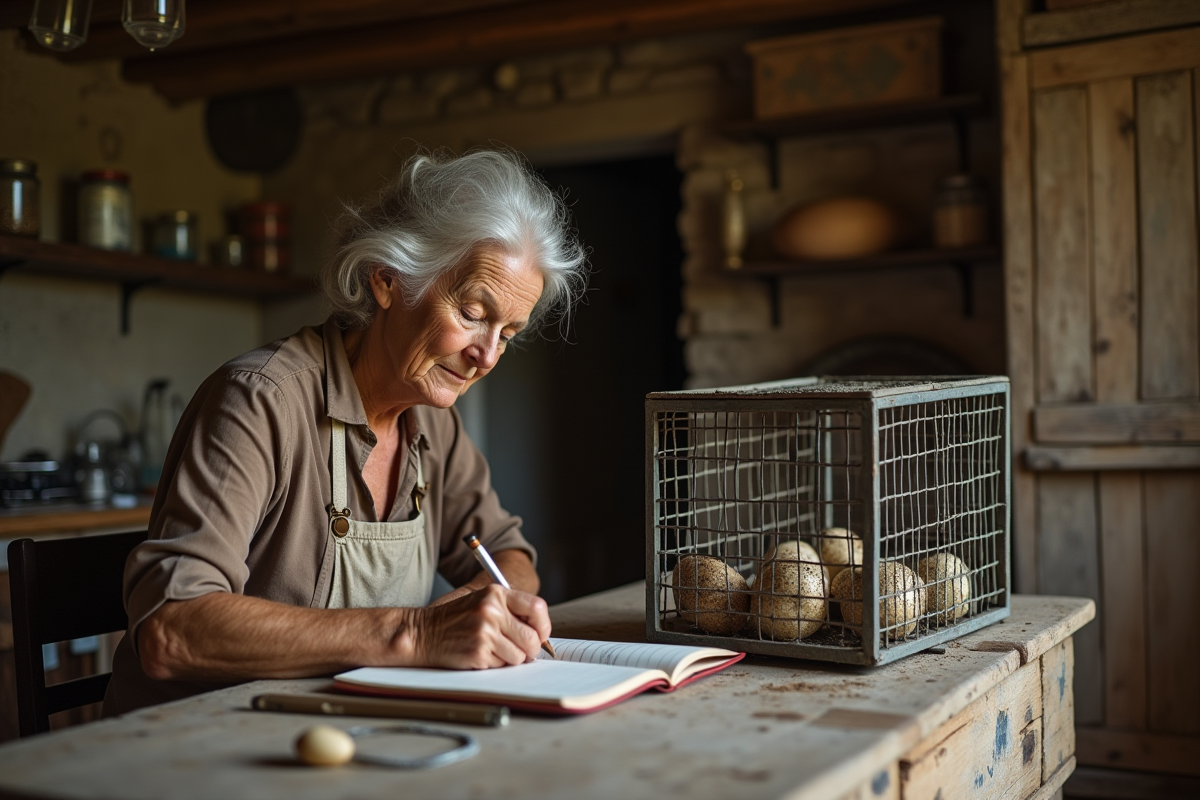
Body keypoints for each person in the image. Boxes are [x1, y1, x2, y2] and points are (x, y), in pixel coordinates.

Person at [103, 149, 588, 715]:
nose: (485, 356)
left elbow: (504, 551)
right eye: (473, 312)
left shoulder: (432, 420)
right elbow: (172, 629)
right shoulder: (261, 400)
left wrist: (497, 604)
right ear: (387, 279)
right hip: (191, 745)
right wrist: (418, 634)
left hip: (336, 731)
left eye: (507, 333)